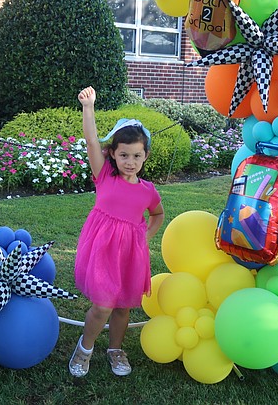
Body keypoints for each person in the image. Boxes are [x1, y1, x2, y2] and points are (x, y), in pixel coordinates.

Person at [69, 86, 165, 377]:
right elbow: (89, 142)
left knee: (123, 307)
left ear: (145, 156)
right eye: (124, 155)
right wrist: (89, 108)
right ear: (113, 153)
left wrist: (145, 236)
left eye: (136, 156)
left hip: (130, 254)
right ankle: (84, 349)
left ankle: (115, 349)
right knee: (103, 306)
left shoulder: (148, 191)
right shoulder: (105, 176)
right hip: (102, 248)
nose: (130, 162)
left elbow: (158, 215)